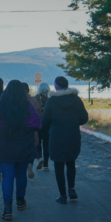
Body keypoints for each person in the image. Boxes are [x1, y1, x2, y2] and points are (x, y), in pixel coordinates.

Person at [0, 80, 42, 221]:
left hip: (4, 147)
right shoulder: (27, 105)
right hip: (23, 146)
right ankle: (20, 201)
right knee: (21, 174)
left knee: (7, 176)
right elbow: (37, 123)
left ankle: (7, 208)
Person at [41, 76, 88, 204]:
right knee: (71, 162)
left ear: (56, 86)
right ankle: (72, 189)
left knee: (58, 165)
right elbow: (84, 118)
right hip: (73, 134)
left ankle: (63, 195)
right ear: (67, 85)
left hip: (57, 136)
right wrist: (73, 121)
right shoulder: (76, 99)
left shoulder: (52, 101)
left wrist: (41, 135)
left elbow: (45, 121)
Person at [21, 83, 42, 179]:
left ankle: (22, 166)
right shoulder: (33, 100)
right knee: (32, 148)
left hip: (20, 129)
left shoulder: (17, 100)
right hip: (32, 129)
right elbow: (39, 114)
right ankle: (30, 164)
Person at [34, 82, 51, 171]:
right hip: (47, 123)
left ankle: (39, 158)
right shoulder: (51, 98)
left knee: (37, 142)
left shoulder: (35, 98)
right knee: (46, 143)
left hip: (37, 123)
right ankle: (46, 165)